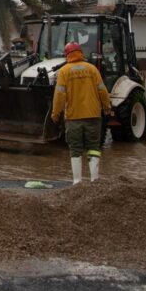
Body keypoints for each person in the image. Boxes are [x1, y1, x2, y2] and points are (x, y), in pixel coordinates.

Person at [50, 41, 111, 184]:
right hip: (93, 116)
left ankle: (77, 182)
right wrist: (107, 106)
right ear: (80, 53)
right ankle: (94, 180)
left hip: (73, 117)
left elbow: (59, 95)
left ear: (67, 54)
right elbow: (102, 90)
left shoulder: (64, 71)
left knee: (75, 149)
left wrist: (55, 113)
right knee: (93, 148)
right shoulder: (92, 69)